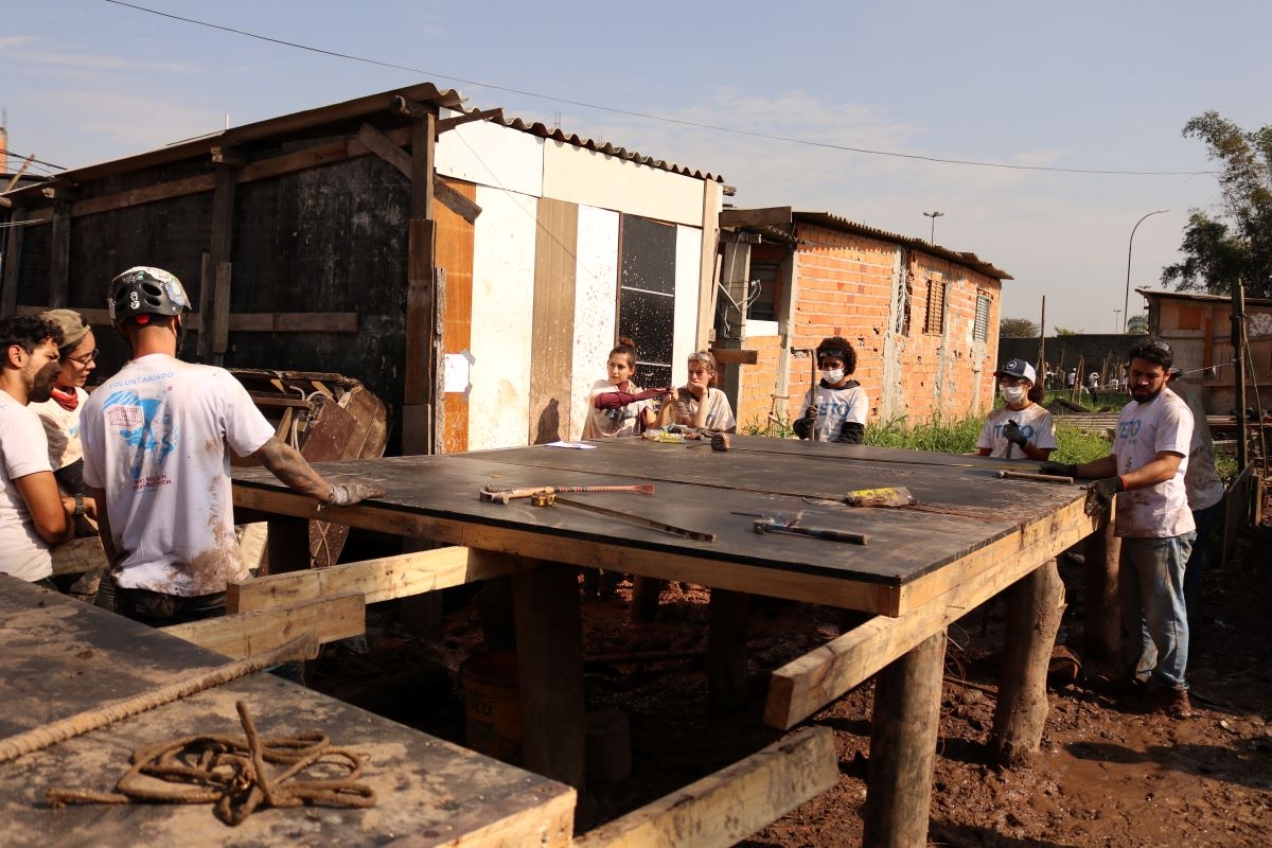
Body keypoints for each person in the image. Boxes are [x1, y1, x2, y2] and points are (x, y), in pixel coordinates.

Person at [80, 266, 383, 627]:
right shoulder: (212, 382)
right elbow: (277, 456)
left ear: (120, 328)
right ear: (177, 320)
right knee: (229, 659)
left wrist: (120, 566)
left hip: (137, 589)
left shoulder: (97, 403)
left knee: (154, 663)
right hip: (209, 582)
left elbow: (102, 504)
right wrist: (334, 494)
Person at [1042, 338, 1196, 719]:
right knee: (1136, 611)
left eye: (1150, 376)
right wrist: (1073, 470)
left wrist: (1120, 484)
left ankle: (1172, 688)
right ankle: (1138, 677)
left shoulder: (1173, 411)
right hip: (1134, 524)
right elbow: (1116, 461)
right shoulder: (1130, 410)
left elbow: (1167, 465)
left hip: (1163, 526)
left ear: (1167, 375)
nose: (1140, 381)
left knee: (1164, 612)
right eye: (1136, 373)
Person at [28, 310, 106, 600]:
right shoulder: (38, 410)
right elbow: (75, 478)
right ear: (54, 358)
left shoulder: (81, 396)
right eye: (83, 359)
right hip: (69, 534)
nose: (91, 365)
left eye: (92, 355)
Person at [0, 314, 76, 587]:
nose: (58, 368)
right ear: (17, 356)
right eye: (51, 357)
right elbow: (53, 525)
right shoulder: (17, 418)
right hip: (20, 581)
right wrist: (70, 523)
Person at [1168, 368, 1225, 628]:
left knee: (1180, 568)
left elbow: (1171, 459)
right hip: (1204, 494)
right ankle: (1187, 623)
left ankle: (1182, 627)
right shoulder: (1187, 392)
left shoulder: (1173, 398)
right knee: (1189, 565)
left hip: (1193, 498)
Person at [581, 338, 663, 439]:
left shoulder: (638, 396)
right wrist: (636, 397)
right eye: (612, 365)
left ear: (631, 370)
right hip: (597, 448)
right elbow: (599, 400)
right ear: (607, 365)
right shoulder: (601, 386)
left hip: (626, 449)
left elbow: (654, 432)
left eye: (620, 367)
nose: (614, 371)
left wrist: (666, 405)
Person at [977, 359, 1057, 461]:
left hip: (1025, 471)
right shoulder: (994, 416)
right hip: (994, 469)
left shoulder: (1042, 416)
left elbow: (1043, 457)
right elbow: (984, 454)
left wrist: (1023, 442)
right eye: (1005, 382)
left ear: (1029, 385)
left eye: (1013, 382)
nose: (1008, 387)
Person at [793, 336, 868, 443]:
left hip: (840, 451)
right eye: (826, 365)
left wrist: (829, 450)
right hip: (813, 449)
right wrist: (806, 421)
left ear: (846, 366)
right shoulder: (814, 392)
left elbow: (853, 435)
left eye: (834, 365)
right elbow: (799, 430)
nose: (829, 369)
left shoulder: (856, 394)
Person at [656, 350, 736, 433]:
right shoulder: (679, 395)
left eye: (699, 372)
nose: (693, 377)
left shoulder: (719, 396)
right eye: (690, 372)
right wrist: (704, 394)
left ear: (710, 374)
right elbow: (697, 428)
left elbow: (726, 430)